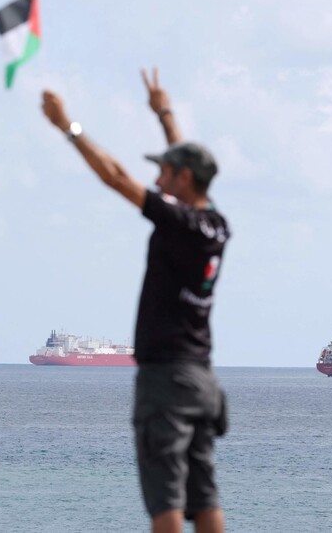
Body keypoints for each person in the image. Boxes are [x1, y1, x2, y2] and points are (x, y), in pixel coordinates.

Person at [41, 69, 229, 533]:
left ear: (183, 179)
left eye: (165, 170)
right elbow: (188, 166)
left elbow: (115, 177)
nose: (157, 176)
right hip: (202, 379)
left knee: (164, 498)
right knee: (204, 496)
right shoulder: (215, 223)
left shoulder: (176, 222)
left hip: (166, 379)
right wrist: (164, 113)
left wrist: (69, 127)